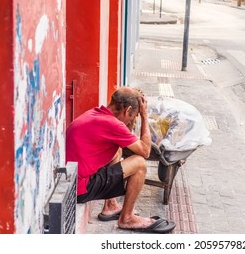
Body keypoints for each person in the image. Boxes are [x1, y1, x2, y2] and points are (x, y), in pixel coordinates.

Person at [66, 87, 176, 233]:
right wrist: (144, 116)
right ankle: (127, 218)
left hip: (72, 180)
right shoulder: (113, 124)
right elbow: (145, 151)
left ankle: (110, 205)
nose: (132, 120)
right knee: (139, 164)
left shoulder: (95, 113)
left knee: (117, 149)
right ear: (127, 109)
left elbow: (123, 140)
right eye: (133, 116)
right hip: (80, 188)